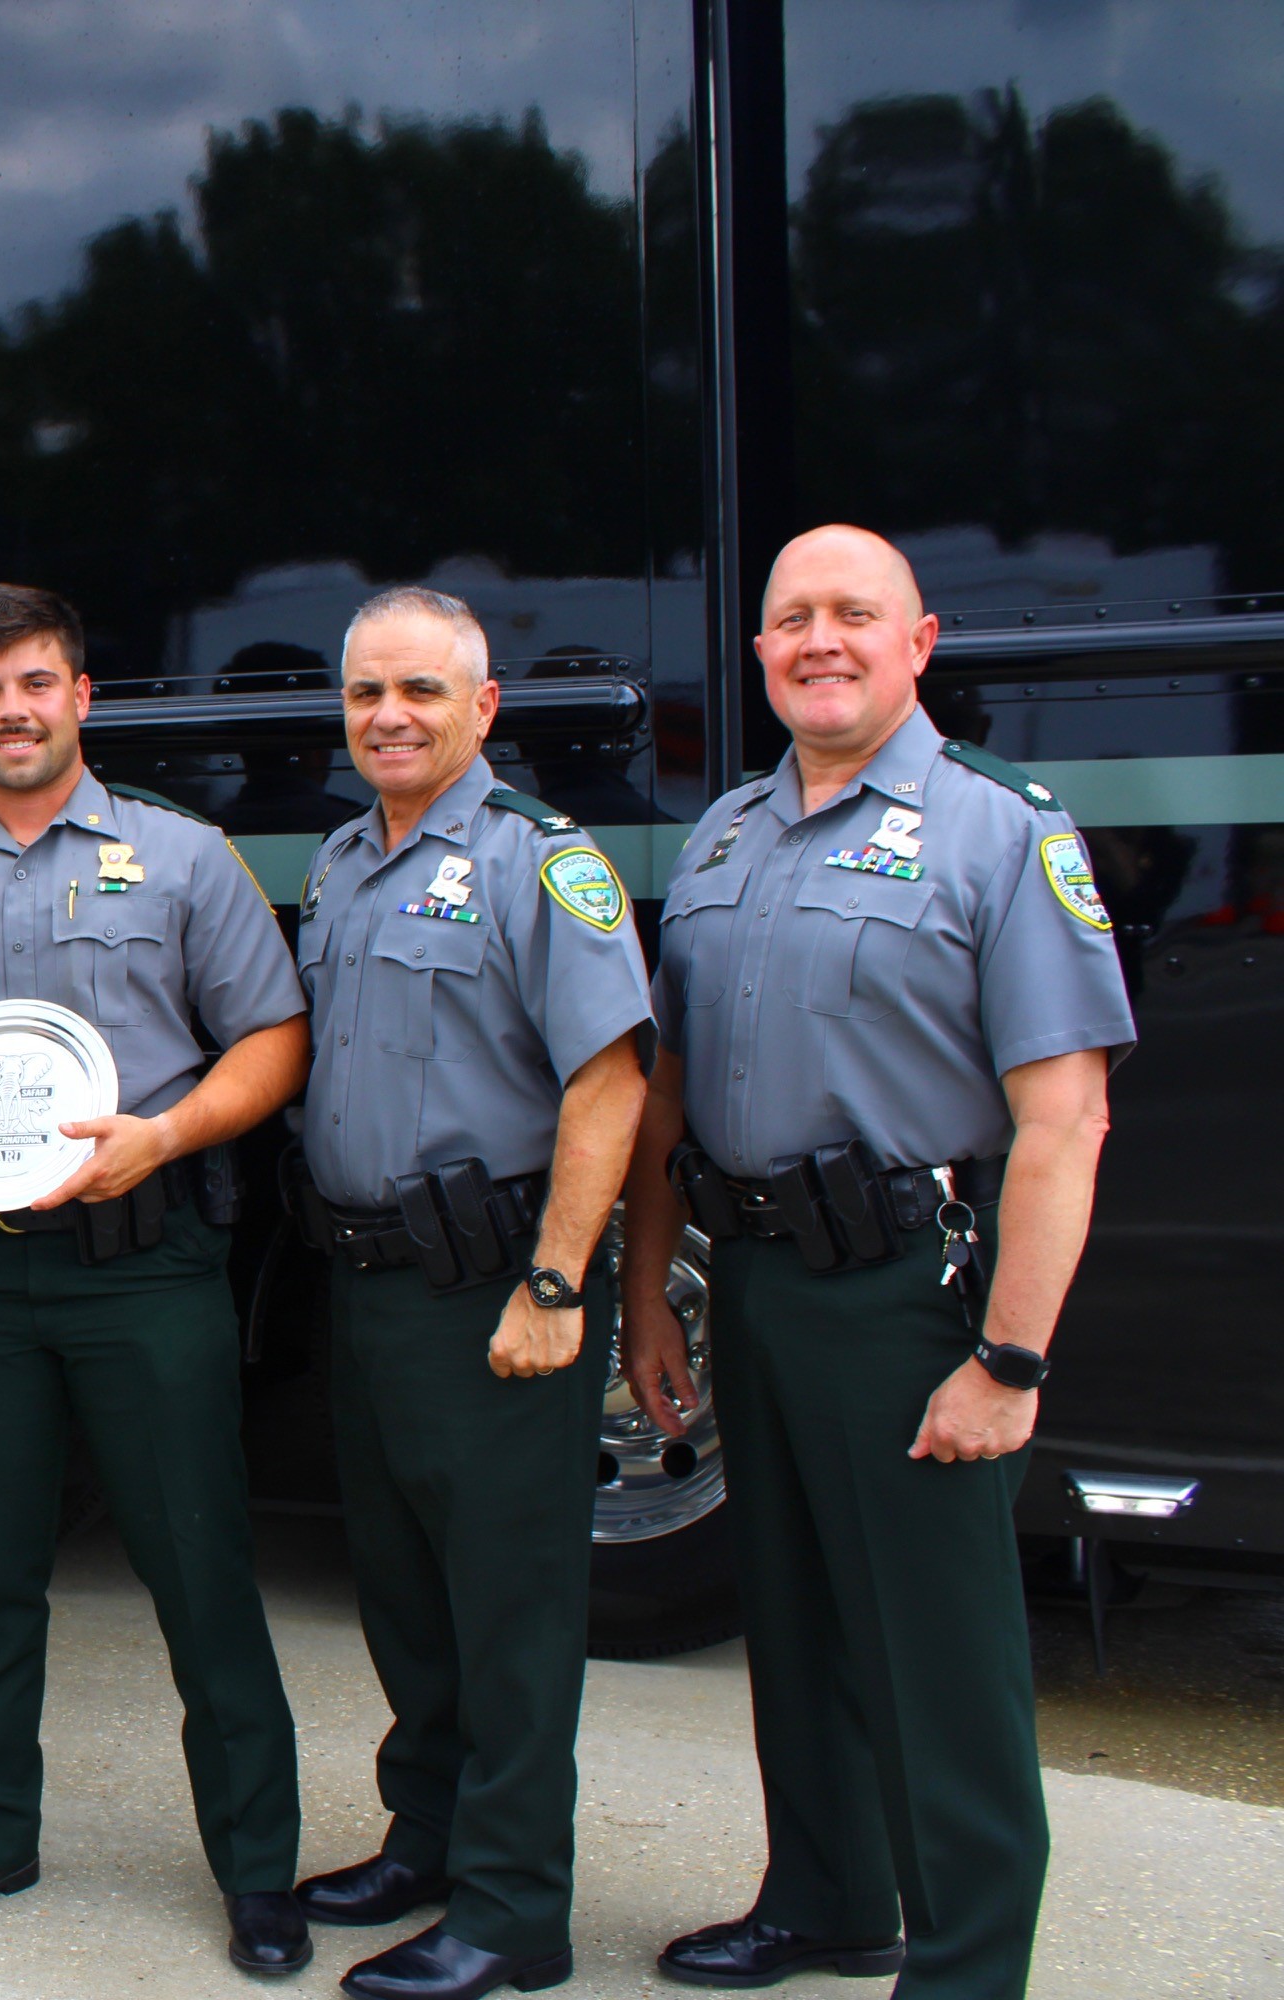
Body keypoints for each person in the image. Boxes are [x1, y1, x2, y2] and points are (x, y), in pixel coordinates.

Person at [618, 526, 1132, 1998]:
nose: (820, 640)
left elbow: (1065, 1120)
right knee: (794, 1623)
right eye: (793, 618)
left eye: (856, 613)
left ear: (921, 643)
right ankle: (827, 1902)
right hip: (757, 1278)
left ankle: (966, 1965)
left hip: (908, 1288)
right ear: (761, 652)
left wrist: (1009, 1360)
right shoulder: (724, 836)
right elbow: (667, 1096)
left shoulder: (998, 830)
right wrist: (648, 1292)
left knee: (937, 1658)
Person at [0, 584, 315, 1975]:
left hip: (142, 1268)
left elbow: (272, 1039)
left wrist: (169, 1135)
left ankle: (258, 1868)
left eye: (35, 682)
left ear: (82, 695)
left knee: (200, 1569)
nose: (11, 710)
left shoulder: (181, 857)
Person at [284, 589, 651, 2000]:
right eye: (367, 692)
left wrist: (556, 1281)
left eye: (422, 691)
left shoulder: (539, 862)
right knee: (405, 1594)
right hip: (371, 1284)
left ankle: (514, 1908)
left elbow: (609, 1081)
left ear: (483, 707)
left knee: (508, 1612)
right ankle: (428, 1838)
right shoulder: (343, 861)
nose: (390, 716)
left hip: (494, 1287)